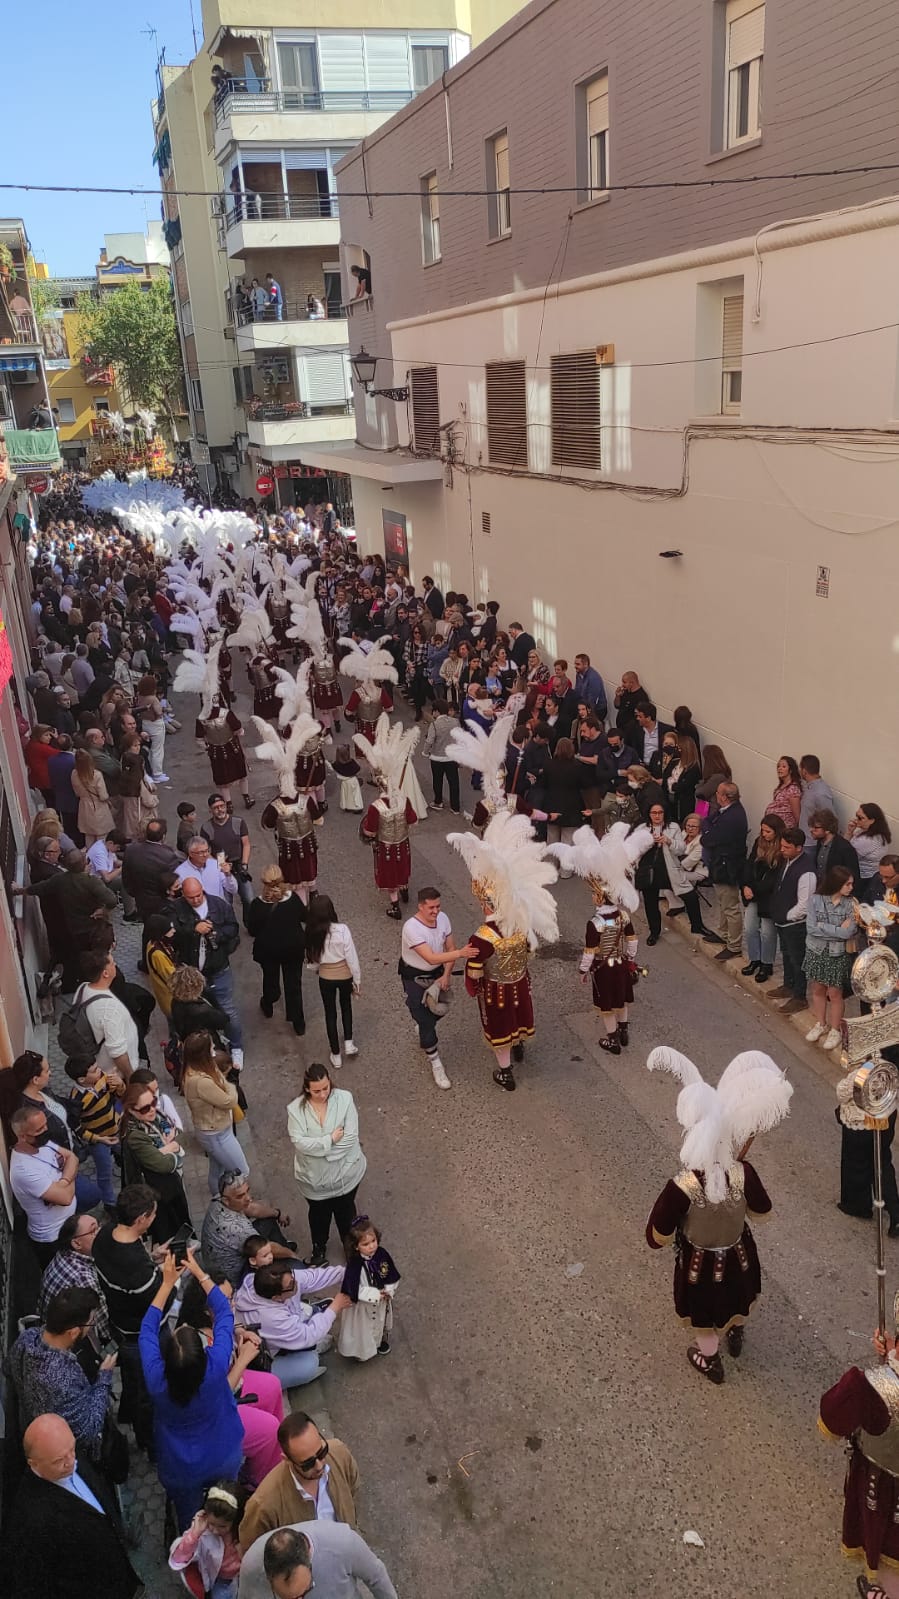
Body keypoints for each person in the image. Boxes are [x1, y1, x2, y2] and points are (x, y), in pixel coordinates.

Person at [646, 1046, 792, 1384]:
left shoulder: (681, 1186)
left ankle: (709, 1360)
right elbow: (763, 1211)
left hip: (699, 1266)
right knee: (738, 1297)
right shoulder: (743, 1173)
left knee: (702, 1315)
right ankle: (736, 1333)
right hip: (739, 1257)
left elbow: (656, 1235)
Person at [452, 810, 559, 1092]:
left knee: (499, 1026)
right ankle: (520, 1045)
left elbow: (474, 972)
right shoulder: (520, 925)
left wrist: (473, 984)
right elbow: (530, 953)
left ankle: (505, 1071)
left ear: (487, 904)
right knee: (519, 1015)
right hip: (519, 982)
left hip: (496, 988)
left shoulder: (482, 937)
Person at [140, 1247, 245, 1530]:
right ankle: (228, 1536)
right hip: (224, 1453)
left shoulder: (156, 1380)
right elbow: (223, 1312)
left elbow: (147, 1330)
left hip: (180, 1467)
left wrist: (165, 1285)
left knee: (190, 1520)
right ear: (203, 1354)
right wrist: (199, 1272)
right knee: (227, 1505)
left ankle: (192, 1547)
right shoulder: (216, 1365)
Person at [3, 1414, 141, 1599]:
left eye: (72, 1448)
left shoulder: (66, 1454)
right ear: (33, 1463)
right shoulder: (32, 1522)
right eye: (59, 1460)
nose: (71, 1461)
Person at [176, 1275, 285, 1492]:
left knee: (272, 1385)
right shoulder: (190, 1346)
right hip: (211, 1412)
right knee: (268, 1429)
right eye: (226, 1300)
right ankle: (257, 1481)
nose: (232, 1304)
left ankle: (278, 1452)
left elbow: (229, 1324)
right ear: (207, 1309)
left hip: (229, 1384)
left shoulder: (214, 1320)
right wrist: (244, 1359)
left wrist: (240, 1331)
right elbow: (213, 1395)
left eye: (231, 1297)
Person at [819, 1309, 899, 1599]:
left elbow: (831, 1416)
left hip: (887, 1489)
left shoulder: (870, 1387)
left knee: (892, 1556)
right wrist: (893, 1352)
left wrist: (888, 1365)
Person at [8, 1286, 116, 1461]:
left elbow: (8, 1369)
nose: (90, 1328)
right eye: (90, 1323)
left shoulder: (28, 1337)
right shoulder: (62, 1380)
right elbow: (88, 1430)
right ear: (73, 1332)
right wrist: (104, 1377)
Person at [91, 1184, 161, 1450]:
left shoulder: (105, 1235)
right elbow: (159, 1303)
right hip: (140, 1333)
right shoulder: (137, 1269)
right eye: (152, 1215)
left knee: (133, 1381)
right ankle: (150, 1444)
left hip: (120, 1323)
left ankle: (127, 1413)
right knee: (147, 1392)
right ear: (142, 1218)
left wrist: (152, 1258)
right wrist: (169, 1276)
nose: (155, 1219)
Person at [240, 1413, 359, 1552]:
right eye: (308, 1464)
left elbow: (353, 1488)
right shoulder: (263, 1505)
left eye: (322, 1452)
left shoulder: (339, 1453)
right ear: (287, 1460)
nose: (319, 1466)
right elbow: (253, 1552)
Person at [287, 1063, 367, 1267]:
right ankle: (318, 1248)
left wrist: (321, 1153)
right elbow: (299, 1143)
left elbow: (350, 1137)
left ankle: (351, 1248)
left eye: (326, 1088)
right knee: (318, 1216)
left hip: (346, 1175)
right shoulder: (296, 1110)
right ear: (307, 1089)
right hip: (314, 1180)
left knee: (346, 1213)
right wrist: (329, 1140)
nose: (323, 1094)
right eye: (317, 1091)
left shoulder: (345, 1099)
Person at [399, 886, 472, 1090]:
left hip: (437, 973)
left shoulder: (443, 919)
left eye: (438, 906)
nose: (436, 912)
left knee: (440, 1009)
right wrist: (461, 954)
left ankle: (421, 1022)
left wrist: (446, 975)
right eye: (431, 907)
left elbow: (449, 947)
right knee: (425, 1020)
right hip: (414, 976)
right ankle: (435, 1061)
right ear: (420, 907)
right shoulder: (411, 928)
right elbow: (430, 956)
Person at [233, 1261, 349, 1388]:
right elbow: (308, 1335)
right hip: (255, 1361)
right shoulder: (270, 1318)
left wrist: (349, 1272)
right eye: (292, 1284)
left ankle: (307, 1344)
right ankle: (295, 1374)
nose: (297, 1283)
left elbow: (314, 1277)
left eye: (293, 1277)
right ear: (276, 1298)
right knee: (309, 1364)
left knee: (311, 1318)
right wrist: (335, 1306)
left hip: (277, 1336)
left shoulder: (275, 1281)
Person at [172, 876, 243, 1061]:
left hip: (218, 969)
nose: (195, 900)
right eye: (190, 897)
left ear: (202, 889)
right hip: (192, 974)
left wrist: (217, 934)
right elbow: (173, 934)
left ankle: (236, 1047)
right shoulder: (176, 908)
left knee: (227, 1009)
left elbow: (233, 928)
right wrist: (194, 929)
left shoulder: (218, 905)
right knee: (195, 1013)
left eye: (198, 895)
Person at [357, 715, 419, 919]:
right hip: (402, 842)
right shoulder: (404, 800)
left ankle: (395, 906)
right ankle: (405, 890)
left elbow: (369, 830)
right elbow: (413, 820)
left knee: (389, 874)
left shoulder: (376, 807)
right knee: (402, 868)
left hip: (385, 845)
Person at [239, 1521, 398, 1599]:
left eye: (306, 1591)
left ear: (309, 1555)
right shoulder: (251, 1567)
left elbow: (377, 1577)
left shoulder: (343, 1543)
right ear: (267, 1576)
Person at [119, 1077, 190, 1241]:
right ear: (131, 1111)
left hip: (169, 1185)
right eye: (144, 1108)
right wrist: (175, 1149)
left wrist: (165, 1148)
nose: (152, 1109)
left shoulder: (154, 1116)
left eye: (153, 1102)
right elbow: (163, 1164)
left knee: (180, 1218)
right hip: (157, 1191)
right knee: (168, 1229)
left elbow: (172, 1129)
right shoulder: (135, 1136)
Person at [9, 1104, 79, 1267]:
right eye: (39, 1129)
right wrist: (70, 1174)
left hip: (67, 1224)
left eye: (45, 1124)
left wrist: (63, 1181)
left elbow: (73, 1157)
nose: (46, 1130)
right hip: (52, 1237)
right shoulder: (23, 1169)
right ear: (22, 1136)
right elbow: (66, 1197)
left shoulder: (43, 1144)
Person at [201, 1171, 297, 1287]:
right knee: (295, 1267)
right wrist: (291, 1255)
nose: (248, 1198)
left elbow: (251, 1209)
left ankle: (284, 1247)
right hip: (235, 1278)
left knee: (268, 1220)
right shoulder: (236, 1229)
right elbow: (267, 1248)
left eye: (247, 1191)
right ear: (227, 1200)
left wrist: (277, 1213)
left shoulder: (221, 1199)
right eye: (240, 1196)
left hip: (222, 1255)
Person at [244, 864, 307, 1034]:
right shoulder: (292, 898)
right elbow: (304, 916)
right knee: (293, 984)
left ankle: (268, 1002)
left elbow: (253, 929)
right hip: (293, 948)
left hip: (268, 950)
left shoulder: (257, 904)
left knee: (270, 979)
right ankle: (298, 1022)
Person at [182, 1030, 247, 1195]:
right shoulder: (201, 1081)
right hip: (217, 1134)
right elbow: (229, 1101)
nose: (214, 1050)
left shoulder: (197, 1069)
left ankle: (218, 1197)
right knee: (242, 1171)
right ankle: (230, 1200)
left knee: (217, 1169)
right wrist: (230, 1087)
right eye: (211, 1048)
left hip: (214, 1130)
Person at [803, 864, 857, 1051]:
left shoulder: (851, 904)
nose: (851, 888)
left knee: (834, 993)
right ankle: (821, 1023)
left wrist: (824, 927)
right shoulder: (816, 900)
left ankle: (835, 1029)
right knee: (817, 988)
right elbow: (811, 928)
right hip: (816, 950)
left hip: (836, 953)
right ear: (837, 883)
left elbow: (848, 932)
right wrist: (837, 930)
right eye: (847, 884)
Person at [304, 895, 360, 1069]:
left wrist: (316, 970)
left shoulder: (311, 932)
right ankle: (349, 1043)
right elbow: (351, 957)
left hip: (325, 976)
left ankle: (336, 1054)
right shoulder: (342, 929)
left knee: (330, 1013)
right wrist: (357, 980)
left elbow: (312, 960)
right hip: (344, 975)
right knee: (346, 1007)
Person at [169, 1480, 248, 1599]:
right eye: (211, 1524)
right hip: (216, 1578)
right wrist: (194, 1535)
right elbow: (177, 1561)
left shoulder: (246, 1529)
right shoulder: (202, 1531)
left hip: (239, 1577)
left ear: (236, 1520)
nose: (214, 1530)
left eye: (222, 1526)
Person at [38, 1213, 109, 1342]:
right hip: (69, 1340)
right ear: (77, 1243)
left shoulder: (63, 1254)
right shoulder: (83, 1278)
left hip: (46, 1327)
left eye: (99, 1227)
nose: (100, 1232)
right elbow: (103, 1325)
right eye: (93, 1230)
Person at [72, 948, 140, 1083]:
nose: (115, 965)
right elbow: (118, 1052)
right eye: (112, 963)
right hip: (115, 1076)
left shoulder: (83, 988)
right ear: (105, 973)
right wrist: (130, 1078)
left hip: (101, 1066)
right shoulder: (109, 1008)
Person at [337, 1215, 400, 1361]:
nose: (372, 1246)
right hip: (363, 1306)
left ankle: (378, 1343)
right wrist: (376, 1294)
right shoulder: (354, 1265)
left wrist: (389, 1289)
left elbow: (391, 1273)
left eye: (373, 1241)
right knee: (363, 1329)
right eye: (365, 1244)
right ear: (356, 1246)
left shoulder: (382, 1254)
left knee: (380, 1321)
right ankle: (362, 1351)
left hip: (382, 1302)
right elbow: (352, 1288)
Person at [768, 829, 816, 1016]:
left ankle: (799, 997)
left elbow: (805, 903)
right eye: (782, 846)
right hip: (782, 921)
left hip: (795, 925)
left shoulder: (807, 872)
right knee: (786, 955)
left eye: (787, 847)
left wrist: (788, 916)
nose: (783, 850)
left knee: (798, 960)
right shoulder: (787, 861)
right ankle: (788, 985)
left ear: (799, 848)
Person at [701, 782, 748, 961]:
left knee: (730, 906)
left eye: (718, 792)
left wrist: (706, 831)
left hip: (727, 866)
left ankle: (734, 945)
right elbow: (707, 822)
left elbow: (709, 838)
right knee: (723, 901)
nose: (715, 794)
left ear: (725, 797)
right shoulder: (728, 811)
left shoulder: (732, 816)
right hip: (720, 864)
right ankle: (724, 934)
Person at [739, 814, 786, 984]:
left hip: (768, 897)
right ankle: (755, 959)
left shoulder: (781, 850)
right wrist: (745, 885)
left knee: (767, 932)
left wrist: (755, 890)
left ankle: (767, 963)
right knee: (750, 928)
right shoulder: (759, 843)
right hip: (752, 892)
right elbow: (749, 865)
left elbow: (774, 878)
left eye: (768, 831)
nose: (764, 834)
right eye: (763, 830)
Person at [634, 804, 687, 945]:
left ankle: (696, 924)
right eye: (654, 813)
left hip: (668, 868)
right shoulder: (642, 828)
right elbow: (635, 850)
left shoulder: (673, 827)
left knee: (687, 893)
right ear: (649, 814)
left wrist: (669, 841)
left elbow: (681, 849)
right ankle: (654, 932)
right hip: (648, 869)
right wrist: (649, 843)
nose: (657, 816)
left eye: (660, 812)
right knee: (651, 903)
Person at [204, 792, 254, 913]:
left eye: (222, 806)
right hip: (222, 869)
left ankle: (250, 924)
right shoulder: (206, 828)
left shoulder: (238, 822)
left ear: (226, 806)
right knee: (226, 903)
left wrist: (244, 864)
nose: (220, 810)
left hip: (239, 867)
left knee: (249, 899)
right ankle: (232, 929)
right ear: (210, 810)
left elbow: (246, 844)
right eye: (216, 808)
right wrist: (218, 865)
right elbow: (205, 852)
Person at [71, 748, 115, 850]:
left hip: (84, 806)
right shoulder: (96, 775)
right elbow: (103, 796)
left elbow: (77, 793)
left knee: (89, 836)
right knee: (102, 836)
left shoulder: (74, 774)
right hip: (98, 806)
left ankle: (90, 858)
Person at [423, 698, 462, 812]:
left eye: (433, 711)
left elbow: (429, 741)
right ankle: (455, 807)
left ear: (437, 711)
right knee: (454, 782)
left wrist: (425, 752)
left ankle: (438, 802)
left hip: (437, 757)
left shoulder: (434, 725)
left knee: (437, 780)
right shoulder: (455, 722)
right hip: (451, 757)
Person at [176, 836, 240, 904]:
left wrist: (228, 875)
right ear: (191, 853)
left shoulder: (215, 865)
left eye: (207, 851)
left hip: (218, 909)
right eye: (201, 852)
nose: (205, 855)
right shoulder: (180, 872)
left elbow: (233, 890)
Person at [808, 807, 861, 888]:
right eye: (811, 826)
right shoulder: (820, 841)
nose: (811, 830)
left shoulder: (844, 848)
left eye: (815, 828)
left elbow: (853, 875)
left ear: (827, 829)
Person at [134, 672, 169, 781]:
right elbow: (158, 712)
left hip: (145, 722)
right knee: (157, 749)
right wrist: (162, 711)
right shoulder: (153, 698)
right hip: (156, 723)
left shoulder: (140, 696)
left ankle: (151, 771)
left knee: (149, 747)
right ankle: (157, 773)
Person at [846, 802, 893, 879]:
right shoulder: (870, 831)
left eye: (861, 818)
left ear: (872, 820)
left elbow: (846, 855)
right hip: (867, 873)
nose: (856, 820)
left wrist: (848, 833)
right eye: (856, 816)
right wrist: (849, 831)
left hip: (862, 877)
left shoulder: (868, 840)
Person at [798, 753, 835, 836]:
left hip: (812, 842)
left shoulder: (821, 793)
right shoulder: (809, 786)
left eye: (800, 768)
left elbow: (830, 819)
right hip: (804, 838)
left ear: (804, 771)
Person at [572, 652, 607, 721]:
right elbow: (577, 692)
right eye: (575, 664)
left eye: (578, 664)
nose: (575, 666)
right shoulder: (579, 674)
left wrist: (583, 713)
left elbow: (592, 702)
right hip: (584, 705)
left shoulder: (593, 678)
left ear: (585, 665)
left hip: (597, 709)